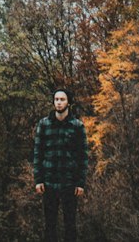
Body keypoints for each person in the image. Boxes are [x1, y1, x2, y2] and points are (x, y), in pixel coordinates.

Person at [32, 88, 88, 242]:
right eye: (56, 99)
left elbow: (82, 156)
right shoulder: (44, 124)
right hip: (49, 183)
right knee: (50, 225)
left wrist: (80, 182)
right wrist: (38, 179)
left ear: (68, 102)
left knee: (70, 225)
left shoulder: (77, 126)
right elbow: (38, 153)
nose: (59, 102)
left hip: (69, 184)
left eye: (62, 99)